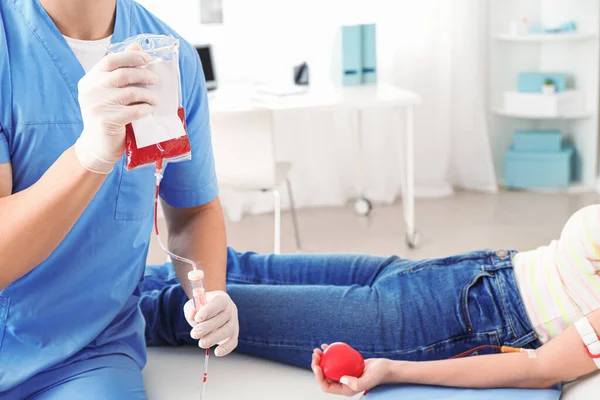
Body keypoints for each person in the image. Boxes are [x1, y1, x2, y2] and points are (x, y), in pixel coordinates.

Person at [0, 0, 239, 398]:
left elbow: (193, 210)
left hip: (88, 354)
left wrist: (210, 292)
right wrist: (89, 157)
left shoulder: (170, 58)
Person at [141, 204, 600, 396]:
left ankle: (72, 317)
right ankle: (85, 279)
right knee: (236, 264)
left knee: (194, 310)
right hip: (460, 271)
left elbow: (539, 369)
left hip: (445, 322)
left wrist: (392, 369)